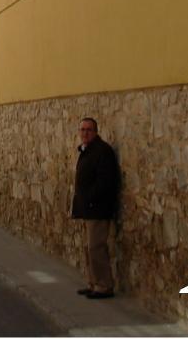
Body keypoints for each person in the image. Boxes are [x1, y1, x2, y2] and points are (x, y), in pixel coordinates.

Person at [71, 117, 120, 299]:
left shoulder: (102, 151)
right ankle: (93, 282)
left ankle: (104, 286)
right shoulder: (87, 151)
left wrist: (90, 198)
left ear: (96, 132)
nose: (85, 133)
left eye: (89, 130)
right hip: (88, 208)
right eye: (82, 129)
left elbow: (105, 181)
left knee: (96, 247)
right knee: (89, 248)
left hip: (98, 209)